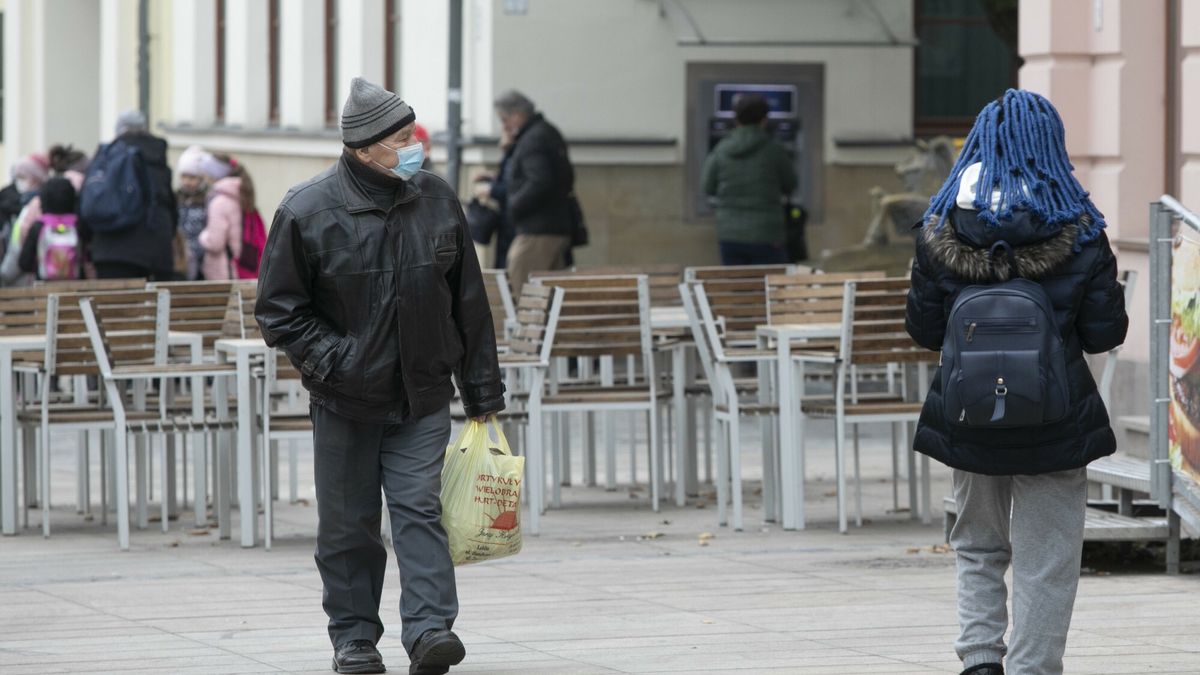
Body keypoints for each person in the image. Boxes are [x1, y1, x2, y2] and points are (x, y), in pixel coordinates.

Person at [255, 77, 504, 675]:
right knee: (349, 525)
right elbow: (279, 311)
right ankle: (355, 639)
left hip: (421, 393)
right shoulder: (307, 209)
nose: (415, 145)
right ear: (365, 149)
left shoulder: (438, 199)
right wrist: (336, 364)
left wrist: (482, 393)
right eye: (401, 138)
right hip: (345, 399)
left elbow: (468, 303)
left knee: (419, 508)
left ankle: (429, 630)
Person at [905, 89, 1129, 675]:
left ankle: (980, 660)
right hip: (1057, 419)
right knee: (1048, 555)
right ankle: (1035, 667)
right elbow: (1106, 332)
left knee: (977, 543)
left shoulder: (941, 224)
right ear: (1048, 145)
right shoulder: (1078, 225)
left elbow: (926, 329)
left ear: (980, 142)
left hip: (969, 417)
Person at [492, 90, 575, 295]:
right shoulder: (545, 132)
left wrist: (514, 206)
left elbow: (539, 181)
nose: (503, 127)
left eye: (504, 120)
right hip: (553, 226)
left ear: (517, 116)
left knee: (522, 294)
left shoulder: (532, 139)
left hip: (537, 230)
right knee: (551, 298)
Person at [700, 94, 797, 266]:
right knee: (770, 288)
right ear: (764, 119)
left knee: (739, 286)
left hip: (730, 234)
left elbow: (707, 185)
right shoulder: (775, 150)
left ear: (736, 119)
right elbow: (791, 184)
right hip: (767, 233)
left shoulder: (721, 149)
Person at [82, 110, 178, 280]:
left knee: (114, 305)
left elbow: (88, 202)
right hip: (154, 252)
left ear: (118, 130)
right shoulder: (157, 159)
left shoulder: (107, 158)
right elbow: (170, 207)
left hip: (108, 251)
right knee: (155, 306)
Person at [175, 145, 229, 280]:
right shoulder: (176, 198)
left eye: (192, 178)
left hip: (201, 261)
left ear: (201, 179)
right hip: (180, 259)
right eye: (184, 176)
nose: (187, 182)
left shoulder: (207, 200)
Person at [197, 153, 255, 281]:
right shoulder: (240, 195)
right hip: (240, 267)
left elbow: (215, 243)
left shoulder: (219, 203)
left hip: (222, 271)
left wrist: (202, 236)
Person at [17, 177, 80, 281]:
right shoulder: (79, 225)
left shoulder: (38, 226)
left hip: (44, 288)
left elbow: (24, 263)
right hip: (75, 287)